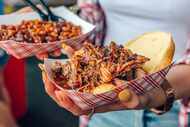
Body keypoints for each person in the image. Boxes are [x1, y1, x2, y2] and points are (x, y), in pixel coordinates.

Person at [41, 1, 190, 127]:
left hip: (176, 108)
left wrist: (156, 91)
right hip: (100, 101)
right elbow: (90, 14)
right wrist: (59, 27)